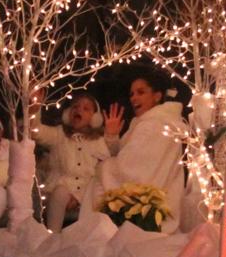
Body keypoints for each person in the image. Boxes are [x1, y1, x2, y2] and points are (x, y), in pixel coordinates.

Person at [93, 72, 186, 233]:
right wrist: (112, 135)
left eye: (141, 92)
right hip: (152, 210)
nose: (133, 98)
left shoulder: (155, 125)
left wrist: (103, 167)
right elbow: (126, 156)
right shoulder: (145, 123)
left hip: (149, 215)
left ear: (157, 96)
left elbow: (130, 170)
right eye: (132, 94)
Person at [32, 91, 110, 231]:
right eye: (75, 106)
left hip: (88, 195)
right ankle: (52, 236)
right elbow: (35, 131)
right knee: (60, 192)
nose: (79, 110)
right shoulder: (59, 135)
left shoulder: (98, 141)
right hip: (59, 194)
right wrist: (35, 107)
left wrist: (79, 197)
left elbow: (105, 168)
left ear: (94, 118)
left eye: (86, 108)